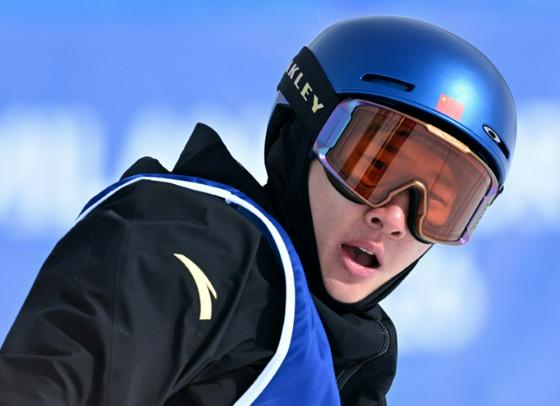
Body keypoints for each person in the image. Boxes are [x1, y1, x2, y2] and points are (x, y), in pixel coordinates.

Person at [0, 16, 516, 405]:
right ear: (302, 135)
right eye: (373, 166)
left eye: (441, 205)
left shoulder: (355, 365)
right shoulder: (192, 242)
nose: (396, 217)